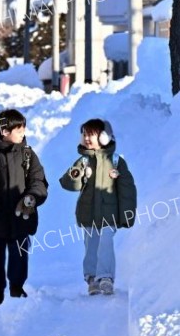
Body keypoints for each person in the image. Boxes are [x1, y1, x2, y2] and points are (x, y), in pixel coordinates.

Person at [0, 109, 49, 307]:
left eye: (24, 128)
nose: (23, 132)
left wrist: (31, 198)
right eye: (18, 129)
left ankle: (17, 286)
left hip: (21, 215)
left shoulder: (28, 155)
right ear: (4, 131)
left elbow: (38, 180)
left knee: (19, 254)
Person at [59, 119, 137, 296]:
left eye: (91, 134)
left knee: (106, 243)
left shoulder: (116, 162)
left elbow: (127, 190)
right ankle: (92, 278)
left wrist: (127, 214)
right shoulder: (83, 161)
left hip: (110, 214)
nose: (86, 138)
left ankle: (106, 278)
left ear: (104, 137)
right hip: (88, 214)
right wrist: (76, 173)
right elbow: (69, 184)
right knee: (91, 245)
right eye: (84, 134)